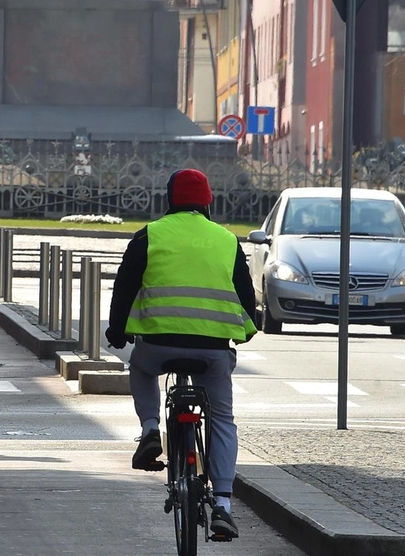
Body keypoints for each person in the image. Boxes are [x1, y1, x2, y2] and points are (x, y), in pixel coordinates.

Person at [104, 168, 257, 542]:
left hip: (158, 345)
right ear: (208, 202)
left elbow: (124, 286)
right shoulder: (226, 240)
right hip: (212, 351)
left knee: (139, 367)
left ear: (169, 199)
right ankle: (222, 502)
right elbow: (247, 298)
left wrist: (117, 330)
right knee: (222, 418)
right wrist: (247, 330)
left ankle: (150, 430)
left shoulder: (149, 235)